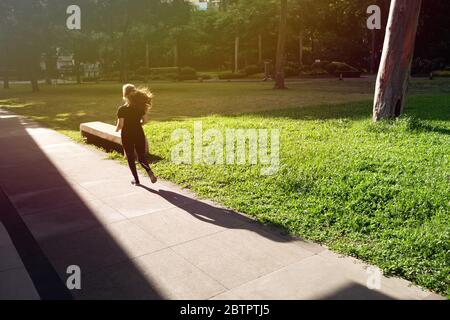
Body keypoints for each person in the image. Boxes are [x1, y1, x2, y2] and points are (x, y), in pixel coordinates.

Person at [116, 84, 157, 185]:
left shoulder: (122, 109)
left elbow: (120, 125)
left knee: (130, 157)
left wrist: (116, 129)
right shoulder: (140, 107)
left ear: (124, 95)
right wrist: (138, 124)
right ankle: (149, 171)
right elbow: (145, 120)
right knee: (141, 157)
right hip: (139, 133)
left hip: (127, 135)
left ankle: (136, 180)